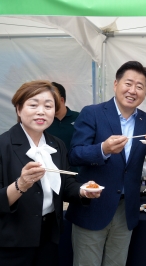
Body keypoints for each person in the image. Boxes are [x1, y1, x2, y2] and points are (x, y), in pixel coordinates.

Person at [65, 61, 146, 266]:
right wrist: (103, 149)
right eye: (128, 83)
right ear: (115, 84)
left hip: (125, 209)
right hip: (93, 205)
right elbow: (74, 154)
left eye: (140, 86)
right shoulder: (93, 113)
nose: (133, 90)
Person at [0, 80, 100, 266]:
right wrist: (20, 185)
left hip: (49, 236)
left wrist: (82, 191)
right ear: (19, 109)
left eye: (48, 106)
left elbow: (65, 183)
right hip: (13, 240)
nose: (41, 111)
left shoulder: (56, 145)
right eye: (33, 105)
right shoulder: (3, 146)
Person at [46, 82, 80, 151]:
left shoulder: (79, 117)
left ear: (61, 100)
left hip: (75, 160)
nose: (47, 104)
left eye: (50, 101)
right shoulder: (43, 120)